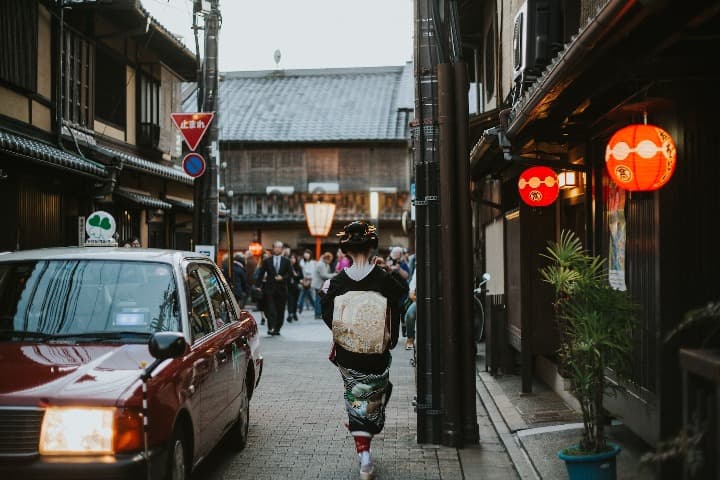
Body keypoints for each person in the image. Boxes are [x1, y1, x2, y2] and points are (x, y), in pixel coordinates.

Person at [320, 221, 408, 480]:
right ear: (372, 247)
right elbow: (398, 302)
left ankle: (364, 455)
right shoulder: (382, 278)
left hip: (349, 352)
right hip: (375, 351)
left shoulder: (336, 282)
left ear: (345, 250)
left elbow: (329, 316)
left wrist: (348, 331)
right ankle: (365, 456)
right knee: (375, 393)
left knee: (355, 396)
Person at [254, 241, 292, 335]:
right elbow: (261, 273)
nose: (278, 249)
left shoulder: (286, 261)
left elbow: (290, 274)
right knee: (270, 309)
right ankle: (271, 327)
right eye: (276, 247)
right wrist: (258, 286)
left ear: (282, 249)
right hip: (269, 289)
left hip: (282, 289)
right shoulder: (267, 261)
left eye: (279, 247)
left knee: (280, 310)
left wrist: (282, 277)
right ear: (273, 248)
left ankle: (277, 328)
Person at [312, 251, 335, 319]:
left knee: (319, 298)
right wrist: (334, 275)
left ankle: (318, 313)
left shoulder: (325, 264)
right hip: (318, 284)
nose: (330, 262)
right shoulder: (321, 264)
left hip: (321, 284)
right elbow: (324, 275)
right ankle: (317, 314)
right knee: (318, 299)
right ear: (326, 259)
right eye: (330, 260)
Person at [297, 249, 316, 314]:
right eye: (305, 255)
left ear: (310, 255)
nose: (306, 256)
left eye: (307, 255)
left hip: (310, 279)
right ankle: (301, 306)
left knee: (307, 294)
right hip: (304, 279)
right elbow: (302, 270)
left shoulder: (312, 262)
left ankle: (300, 306)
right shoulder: (302, 262)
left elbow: (312, 272)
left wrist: (309, 280)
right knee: (306, 293)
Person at [286, 253, 303, 322]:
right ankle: (290, 314)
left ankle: (294, 313)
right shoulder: (287, 267)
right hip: (288, 286)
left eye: (293, 258)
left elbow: (301, 276)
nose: (292, 259)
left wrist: (296, 275)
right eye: (291, 258)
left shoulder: (298, 267)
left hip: (296, 287)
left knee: (295, 301)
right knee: (290, 301)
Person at [404, 269, 417, 350]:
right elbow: (413, 282)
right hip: (419, 299)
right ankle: (410, 338)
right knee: (410, 314)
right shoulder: (418, 265)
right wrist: (411, 292)